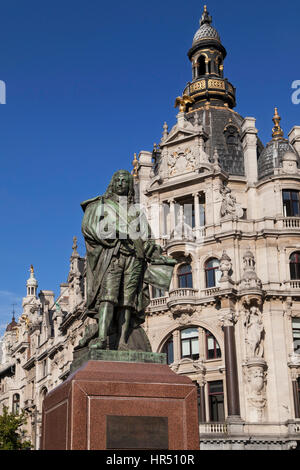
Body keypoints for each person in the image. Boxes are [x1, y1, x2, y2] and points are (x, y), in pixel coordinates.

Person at [78, 169, 175, 351]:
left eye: (125, 180)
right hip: (114, 256)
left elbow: (147, 239)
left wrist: (158, 256)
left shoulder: (136, 212)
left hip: (135, 258)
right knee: (108, 297)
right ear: (113, 183)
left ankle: (123, 341)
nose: (121, 183)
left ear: (130, 186)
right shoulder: (101, 205)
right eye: (118, 180)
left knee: (128, 301)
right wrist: (114, 233)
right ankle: (101, 339)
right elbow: (89, 227)